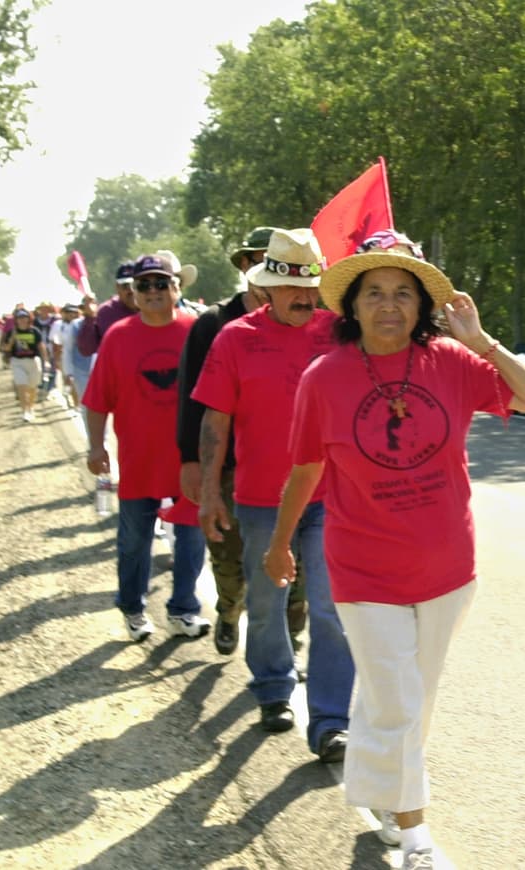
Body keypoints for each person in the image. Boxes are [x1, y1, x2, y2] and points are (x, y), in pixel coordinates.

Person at [263, 230, 525, 869]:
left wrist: (481, 342)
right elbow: (306, 470)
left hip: (449, 569)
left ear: (423, 306)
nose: (389, 304)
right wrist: (281, 544)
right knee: (396, 699)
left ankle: (380, 794)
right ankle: (416, 838)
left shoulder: (452, 363)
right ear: (352, 306)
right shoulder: (324, 378)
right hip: (365, 571)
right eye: (374, 293)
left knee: (408, 698)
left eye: (403, 292)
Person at [192, 228, 353, 761]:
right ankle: (274, 690)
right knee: (266, 602)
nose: (307, 299)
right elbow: (215, 420)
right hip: (261, 498)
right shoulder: (235, 338)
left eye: (314, 288)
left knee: (331, 608)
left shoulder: (339, 333)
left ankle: (331, 719)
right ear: (268, 289)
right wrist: (211, 493)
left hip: (332, 497)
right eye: (295, 290)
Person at [177, 225, 308, 657]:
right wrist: (192, 463)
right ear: (247, 269)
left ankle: (286, 645)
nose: (259, 268)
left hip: (301, 472)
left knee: (297, 572)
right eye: (253, 260)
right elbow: (193, 404)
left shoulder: (312, 322)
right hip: (234, 471)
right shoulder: (216, 324)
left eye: (267, 260)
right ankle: (230, 608)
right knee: (232, 563)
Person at [82, 253, 213, 643]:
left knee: (192, 538)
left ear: (177, 288)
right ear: (133, 293)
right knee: (135, 541)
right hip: (139, 462)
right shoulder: (119, 337)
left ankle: (184, 609)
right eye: (145, 285)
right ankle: (133, 607)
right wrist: (94, 446)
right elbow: (96, 399)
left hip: (189, 461)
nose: (153, 291)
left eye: (161, 283)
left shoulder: (198, 332)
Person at [77, 262, 139, 357]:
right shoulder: (105, 312)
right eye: (126, 286)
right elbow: (86, 350)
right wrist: (89, 318)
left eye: (135, 285)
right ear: (117, 287)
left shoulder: (154, 309)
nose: (131, 290)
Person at [0, 307, 49, 422]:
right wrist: (12, 339)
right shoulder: (11, 332)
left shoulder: (34, 331)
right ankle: (25, 411)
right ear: (16, 320)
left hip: (33, 361)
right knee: (21, 386)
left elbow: (41, 346)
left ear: (28, 319)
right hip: (17, 362)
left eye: (24, 317)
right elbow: (5, 348)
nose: (22, 320)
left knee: (32, 388)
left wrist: (45, 361)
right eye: (20, 318)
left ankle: (31, 407)